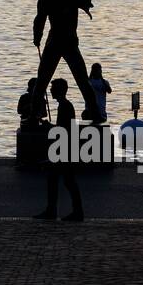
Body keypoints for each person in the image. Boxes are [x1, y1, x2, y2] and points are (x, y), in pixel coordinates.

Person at [31, 0, 100, 119]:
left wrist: (37, 37)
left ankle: (35, 114)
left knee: (42, 81)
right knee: (81, 80)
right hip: (68, 41)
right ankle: (94, 111)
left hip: (54, 41)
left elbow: (39, 21)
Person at [35, 79, 84, 222]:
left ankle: (68, 211)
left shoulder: (65, 106)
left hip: (65, 149)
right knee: (62, 180)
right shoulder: (65, 105)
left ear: (60, 90)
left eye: (53, 88)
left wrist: (48, 127)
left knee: (66, 181)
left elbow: (62, 130)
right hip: (66, 148)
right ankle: (63, 210)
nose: (50, 91)